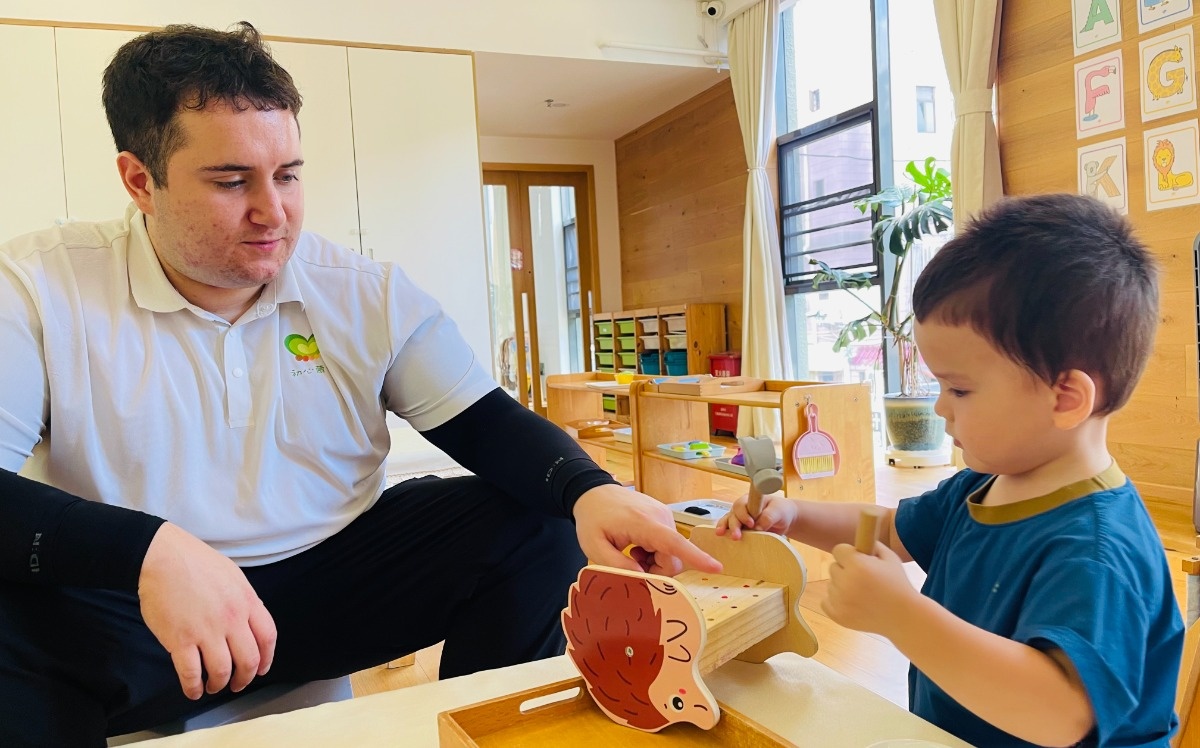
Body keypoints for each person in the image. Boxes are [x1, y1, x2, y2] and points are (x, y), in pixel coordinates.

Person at [0, 22, 720, 746]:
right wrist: (147, 551)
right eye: (231, 181)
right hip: (142, 613)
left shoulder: (360, 290)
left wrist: (590, 489)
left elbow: (485, 423)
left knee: (539, 521)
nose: (273, 212)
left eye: (288, 175)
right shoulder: (38, 286)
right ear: (139, 181)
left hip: (331, 589)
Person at [717, 194, 1184, 747]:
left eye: (959, 389)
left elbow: (1060, 714)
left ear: (1065, 398)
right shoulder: (985, 485)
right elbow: (889, 530)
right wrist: (793, 515)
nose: (940, 407)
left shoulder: (1098, 548)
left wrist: (901, 614)